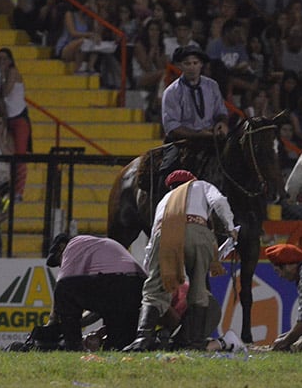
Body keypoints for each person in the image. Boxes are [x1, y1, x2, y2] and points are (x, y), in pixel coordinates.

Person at [124, 170, 239, 352]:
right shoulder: (202, 185)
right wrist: (230, 227)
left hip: (166, 233)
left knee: (154, 290)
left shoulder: (165, 200)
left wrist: (151, 268)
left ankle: (142, 339)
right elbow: (218, 201)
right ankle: (193, 343)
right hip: (198, 230)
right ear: (192, 180)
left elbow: (153, 237)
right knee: (199, 288)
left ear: (170, 187)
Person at [43, 233, 148, 351]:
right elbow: (100, 305)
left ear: (62, 247)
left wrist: (53, 322)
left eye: (59, 261)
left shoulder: (73, 244)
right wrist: (75, 323)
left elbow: (62, 285)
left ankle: (73, 347)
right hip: (136, 286)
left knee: (64, 288)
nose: (61, 265)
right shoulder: (99, 247)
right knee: (117, 346)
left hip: (116, 283)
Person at [157, 45, 229, 191]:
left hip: (211, 138)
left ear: (201, 65)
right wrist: (197, 134)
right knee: (167, 168)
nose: (192, 67)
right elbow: (172, 128)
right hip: (182, 142)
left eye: (195, 63)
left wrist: (222, 123)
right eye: (187, 63)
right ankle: (162, 204)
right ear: (179, 65)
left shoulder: (212, 86)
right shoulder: (172, 92)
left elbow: (220, 111)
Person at [0, 47, 31, 203]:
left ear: (10, 61)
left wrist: (1, 74)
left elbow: (6, 92)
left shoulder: (12, 72)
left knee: (20, 155)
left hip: (19, 120)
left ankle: (19, 191)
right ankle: (7, 188)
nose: (2, 62)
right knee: (7, 151)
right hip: (7, 120)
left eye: (5, 59)